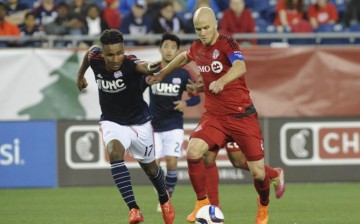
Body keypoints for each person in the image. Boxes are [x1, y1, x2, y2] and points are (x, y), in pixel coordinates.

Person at [147, 7, 271, 224]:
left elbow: (241, 66)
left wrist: (222, 81)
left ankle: (263, 205)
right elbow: (184, 58)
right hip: (215, 116)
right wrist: (162, 73)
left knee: (259, 174)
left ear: (215, 24)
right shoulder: (197, 47)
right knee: (194, 151)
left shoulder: (227, 43)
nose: (202, 32)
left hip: (242, 115)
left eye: (205, 27)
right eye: (198, 29)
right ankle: (202, 203)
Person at [76, 29, 175, 224]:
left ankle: (164, 199)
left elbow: (143, 66)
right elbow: (88, 55)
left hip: (140, 123)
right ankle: (134, 209)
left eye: (119, 53)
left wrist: (151, 67)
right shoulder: (95, 57)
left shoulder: (131, 63)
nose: (115, 59)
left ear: (124, 50)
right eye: (110, 54)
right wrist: (80, 75)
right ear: (102, 54)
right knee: (114, 153)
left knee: (152, 170)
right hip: (112, 121)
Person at [187, 78, 285, 207]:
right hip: (217, 118)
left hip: (237, 117)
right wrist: (198, 88)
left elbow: (227, 86)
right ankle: (214, 206)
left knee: (238, 161)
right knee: (207, 157)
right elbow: (208, 86)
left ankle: (274, 174)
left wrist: (202, 87)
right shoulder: (203, 64)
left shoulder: (228, 65)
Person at [142, 33, 201, 211]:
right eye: (166, 46)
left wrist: (186, 102)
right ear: (160, 49)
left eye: (172, 47)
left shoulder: (183, 73)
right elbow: (138, 88)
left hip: (174, 123)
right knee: (153, 167)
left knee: (172, 163)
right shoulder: (151, 69)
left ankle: (167, 198)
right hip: (153, 124)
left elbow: (196, 96)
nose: (168, 50)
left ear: (177, 51)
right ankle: (162, 191)